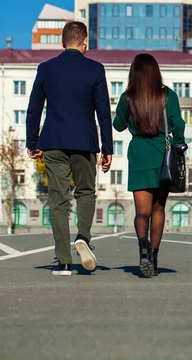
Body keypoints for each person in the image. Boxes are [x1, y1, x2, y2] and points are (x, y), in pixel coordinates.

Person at [26, 21, 113, 277]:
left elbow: (34, 108)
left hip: (52, 143)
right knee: (85, 191)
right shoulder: (95, 70)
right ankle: (83, 237)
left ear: (62, 42)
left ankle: (63, 261)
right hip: (85, 143)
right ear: (84, 42)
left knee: (58, 199)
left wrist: (32, 142)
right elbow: (104, 113)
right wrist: (107, 148)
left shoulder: (45, 69)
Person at [113, 54, 185, 278]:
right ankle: (153, 256)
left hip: (139, 155)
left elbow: (118, 125)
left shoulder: (128, 97)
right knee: (158, 209)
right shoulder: (167, 95)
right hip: (162, 155)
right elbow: (178, 124)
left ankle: (143, 247)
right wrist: (179, 142)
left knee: (142, 212)